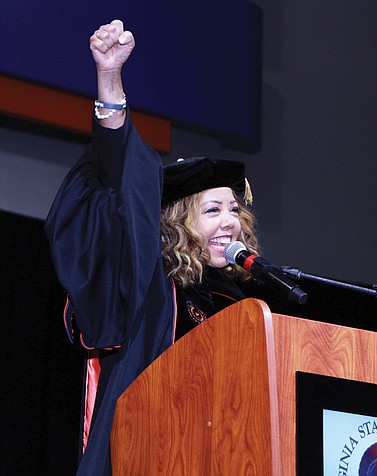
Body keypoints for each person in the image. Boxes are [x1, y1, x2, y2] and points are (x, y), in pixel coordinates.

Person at [45, 20, 261, 475]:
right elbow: (123, 180)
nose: (230, 221)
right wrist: (110, 83)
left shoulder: (246, 307)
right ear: (181, 225)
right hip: (147, 453)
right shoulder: (145, 287)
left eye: (234, 210)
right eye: (212, 210)